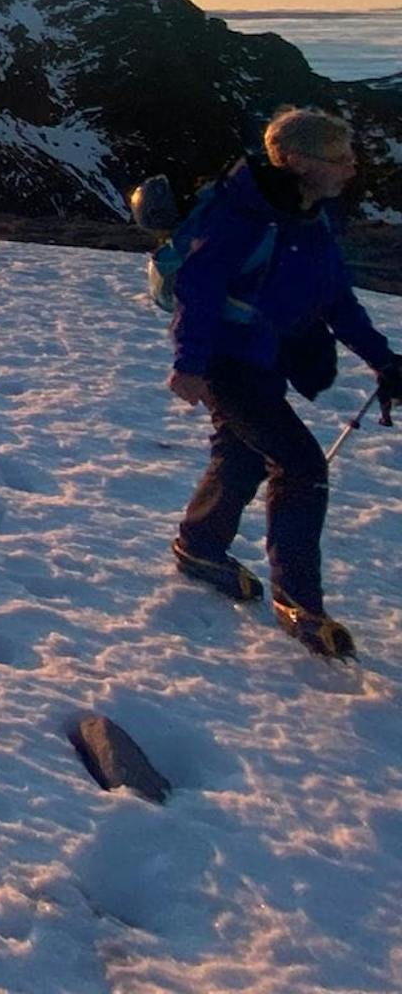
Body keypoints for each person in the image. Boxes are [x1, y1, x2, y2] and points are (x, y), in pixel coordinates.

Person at [168, 106, 401, 655]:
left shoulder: (308, 215)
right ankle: (299, 601)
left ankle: (199, 543)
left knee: (242, 453)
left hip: (265, 358)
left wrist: (383, 358)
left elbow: (334, 297)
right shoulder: (240, 216)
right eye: (338, 159)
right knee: (300, 465)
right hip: (229, 363)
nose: (350, 169)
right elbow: (198, 290)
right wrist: (191, 364)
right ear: (297, 162)